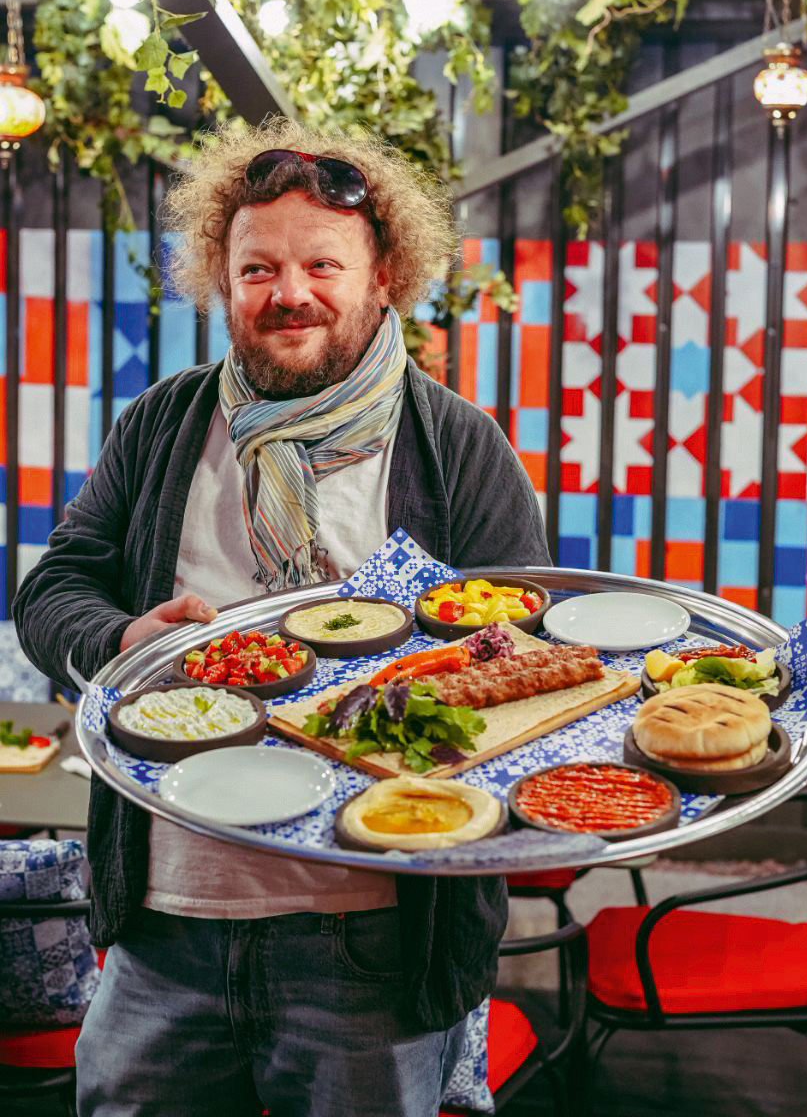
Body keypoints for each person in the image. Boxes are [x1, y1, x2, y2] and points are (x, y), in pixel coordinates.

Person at [14, 120, 552, 1117]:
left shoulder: (459, 448)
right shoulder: (163, 424)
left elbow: (524, 652)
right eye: (257, 268)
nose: (287, 292)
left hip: (373, 931)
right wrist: (123, 641)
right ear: (223, 281)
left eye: (321, 265)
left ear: (384, 276)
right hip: (166, 921)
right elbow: (53, 591)